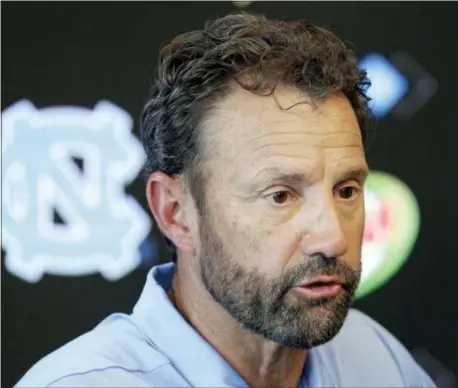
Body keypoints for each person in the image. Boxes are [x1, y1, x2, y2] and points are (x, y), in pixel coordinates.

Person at [16, 13, 435, 388]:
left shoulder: (376, 358)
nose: (332, 239)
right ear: (175, 213)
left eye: (346, 190)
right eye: (280, 195)